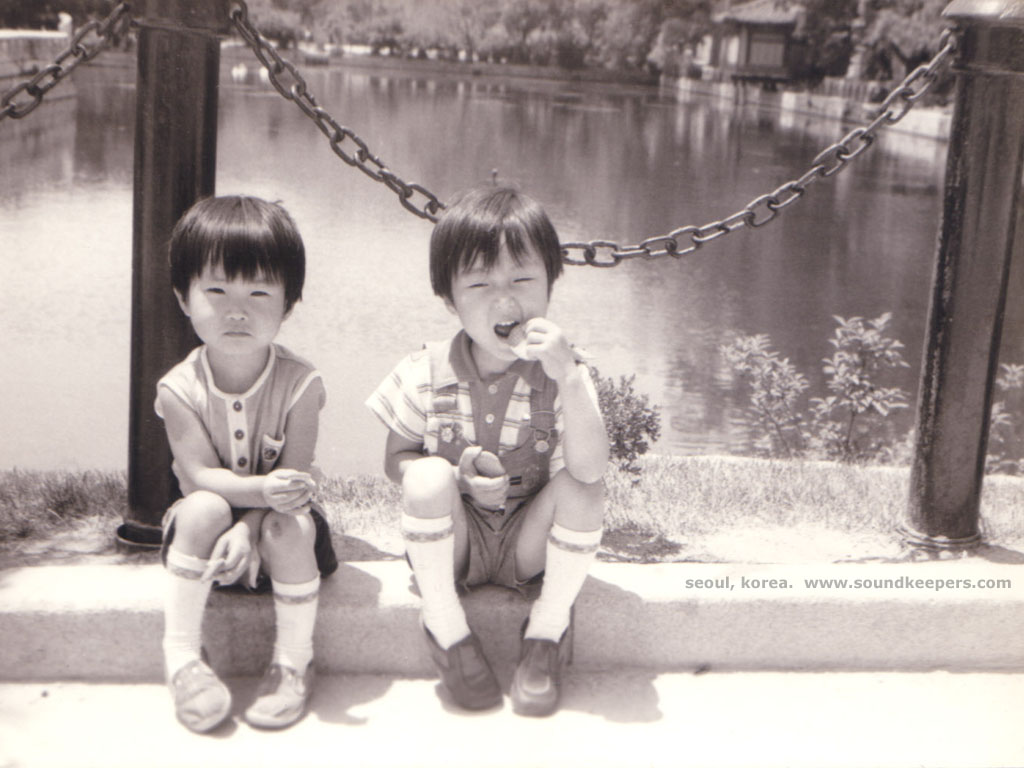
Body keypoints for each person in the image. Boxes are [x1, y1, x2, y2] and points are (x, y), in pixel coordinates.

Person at [366, 185, 608, 717]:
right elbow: (396, 460)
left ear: (551, 284)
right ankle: (447, 630)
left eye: (522, 280)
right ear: (449, 300)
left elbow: (589, 470)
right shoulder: (424, 371)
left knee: (585, 491)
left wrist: (568, 377)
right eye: (479, 284)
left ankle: (546, 633)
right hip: (454, 543)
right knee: (426, 476)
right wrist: (455, 478)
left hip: (527, 544)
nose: (505, 301)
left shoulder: (566, 372)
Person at [155, 195, 337, 733]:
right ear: (183, 297)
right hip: (205, 541)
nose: (237, 310)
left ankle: (294, 662)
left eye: (259, 292)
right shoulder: (178, 388)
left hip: (285, 533)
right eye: (216, 291)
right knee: (203, 507)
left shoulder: (302, 385)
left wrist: (250, 528)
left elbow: (294, 485)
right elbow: (197, 477)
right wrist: (240, 517)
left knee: (287, 523)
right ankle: (182, 658)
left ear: (288, 304)